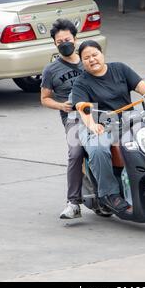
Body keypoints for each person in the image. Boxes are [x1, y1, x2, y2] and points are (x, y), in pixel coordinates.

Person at [72, 40, 145, 214]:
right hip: (100, 125)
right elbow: (82, 107)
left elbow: (141, 86)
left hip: (128, 120)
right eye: (86, 58)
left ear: (102, 54)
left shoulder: (120, 69)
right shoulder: (81, 82)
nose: (92, 59)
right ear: (82, 61)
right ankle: (110, 194)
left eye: (95, 55)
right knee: (98, 149)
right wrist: (93, 125)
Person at [40, 19, 85, 219]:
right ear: (55, 44)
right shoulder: (51, 70)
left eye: (67, 39)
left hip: (100, 112)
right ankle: (73, 203)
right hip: (73, 117)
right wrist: (61, 105)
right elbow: (44, 99)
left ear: (76, 39)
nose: (64, 43)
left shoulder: (89, 59)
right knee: (76, 153)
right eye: (60, 41)